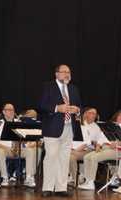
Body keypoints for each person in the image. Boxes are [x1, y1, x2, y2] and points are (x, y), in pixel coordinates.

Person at [40, 64, 81, 197]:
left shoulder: (73, 88)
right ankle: (47, 187)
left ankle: (61, 188)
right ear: (56, 74)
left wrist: (77, 110)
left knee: (64, 158)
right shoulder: (48, 86)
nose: (67, 74)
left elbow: (80, 105)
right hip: (52, 128)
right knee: (51, 157)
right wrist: (57, 108)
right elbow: (41, 105)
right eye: (64, 72)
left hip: (69, 127)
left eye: (68, 72)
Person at [78, 109, 121, 190]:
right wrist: (98, 145)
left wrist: (120, 143)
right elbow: (101, 138)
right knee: (87, 157)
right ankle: (87, 181)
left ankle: (91, 183)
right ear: (116, 116)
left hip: (117, 151)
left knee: (94, 158)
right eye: (120, 116)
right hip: (104, 148)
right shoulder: (109, 126)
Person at [0, 103, 37, 187]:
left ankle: (28, 178)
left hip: (17, 149)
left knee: (30, 151)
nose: (11, 112)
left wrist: (23, 143)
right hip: (5, 149)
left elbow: (24, 139)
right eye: (8, 110)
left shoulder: (18, 122)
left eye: (12, 110)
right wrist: (6, 148)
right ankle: (5, 178)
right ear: (3, 112)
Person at [69, 107, 104, 186]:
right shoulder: (80, 124)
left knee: (68, 154)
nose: (93, 115)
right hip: (75, 149)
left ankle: (77, 178)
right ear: (86, 114)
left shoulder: (96, 127)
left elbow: (99, 141)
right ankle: (75, 179)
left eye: (94, 114)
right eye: (91, 113)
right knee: (70, 157)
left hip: (88, 150)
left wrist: (94, 143)